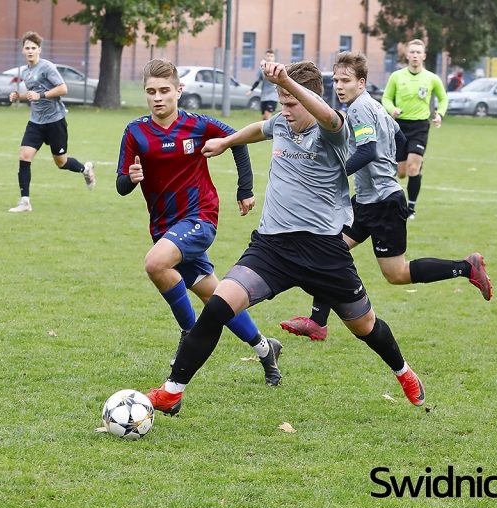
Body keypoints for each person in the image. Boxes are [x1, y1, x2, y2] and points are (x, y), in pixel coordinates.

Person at [145, 59, 426, 416]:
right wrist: (226, 142)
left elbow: (326, 115)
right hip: (271, 247)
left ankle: (404, 373)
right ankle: (172, 390)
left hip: (323, 252)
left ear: (307, 98)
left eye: (292, 103)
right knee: (217, 306)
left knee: (365, 326)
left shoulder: (333, 130)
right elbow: (260, 128)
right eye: (282, 102)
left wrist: (290, 85)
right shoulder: (283, 122)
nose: (286, 110)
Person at [280, 52, 492, 341]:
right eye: (337, 80)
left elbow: (367, 151)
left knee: (397, 274)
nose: (339, 86)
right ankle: (318, 322)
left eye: (346, 81)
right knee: (328, 250)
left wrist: (337, 173)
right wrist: (390, 165)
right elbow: (400, 139)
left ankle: (467, 267)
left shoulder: (359, 110)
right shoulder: (374, 106)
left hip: (383, 204)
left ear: (362, 82)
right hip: (367, 201)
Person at [116, 58, 282, 386]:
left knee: (155, 264)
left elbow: (237, 140)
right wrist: (131, 178)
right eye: (151, 91)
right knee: (216, 296)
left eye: (165, 90)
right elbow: (121, 184)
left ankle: (189, 332)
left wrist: (245, 188)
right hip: (163, 228)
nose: (158, 97)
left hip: (199, 217)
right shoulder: (135, 132)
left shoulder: (197, 124)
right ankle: (266, 349)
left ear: (179, 90)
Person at [7, 31, 95, 213]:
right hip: (36, 122)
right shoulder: (26, 72)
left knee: (61, 163)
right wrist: (19, 97)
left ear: (39, 49)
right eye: (27, 48)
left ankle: (85, 169)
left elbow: (63, 88)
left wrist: (40, 95)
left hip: (55, 121)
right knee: (24, 156)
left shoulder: (46, 67)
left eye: (33, 48)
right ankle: (25, 202)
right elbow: (33, 96)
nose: (30, 51)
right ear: (22, 50)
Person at [382, 39, 448, 219]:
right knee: (401, 172)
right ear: (407, 55)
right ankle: (415, 166)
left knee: (413, 168)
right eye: (412, 52)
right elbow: (386, 98)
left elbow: (443, 99)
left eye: (419, 52)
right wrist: (392, 109)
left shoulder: (432, 78)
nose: (415, 55)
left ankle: (410, 209)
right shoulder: (396, 76)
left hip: (420, 126)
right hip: (400, 126)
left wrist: (439, 114)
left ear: (424, 56)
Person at [246, 49, 279, 120]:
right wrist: (251, 90)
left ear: (274, 58)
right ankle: (264, 130)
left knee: (267, 116)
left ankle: (270, 130)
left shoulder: (277, 68)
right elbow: (257, 81)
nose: (270, 58)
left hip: (273, 96)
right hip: (264, 96)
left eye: (271, 56)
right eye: (268, 56)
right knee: (264, 118)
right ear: (265, 57)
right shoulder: (261, 69)